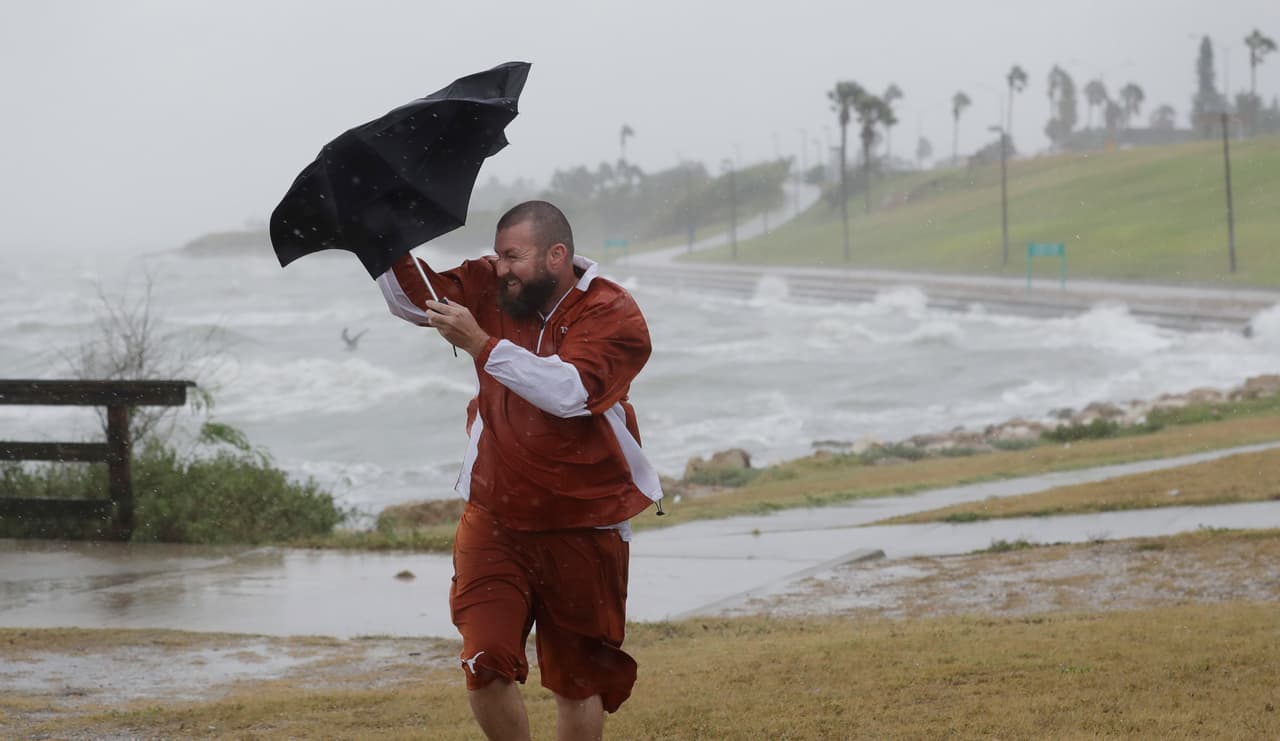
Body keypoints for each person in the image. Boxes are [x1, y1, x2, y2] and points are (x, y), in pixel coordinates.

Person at [376, 200, 663, 740]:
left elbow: (572, 392)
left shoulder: (612, 312)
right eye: (499, 255)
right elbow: (419, 304)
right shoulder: (491, 283)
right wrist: (381, 239)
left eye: (514, 256)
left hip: (584, 521)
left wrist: (482, 345)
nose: (500, 267)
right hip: (495, 515)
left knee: (578, 681)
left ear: (557, 255)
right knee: (484, 662)